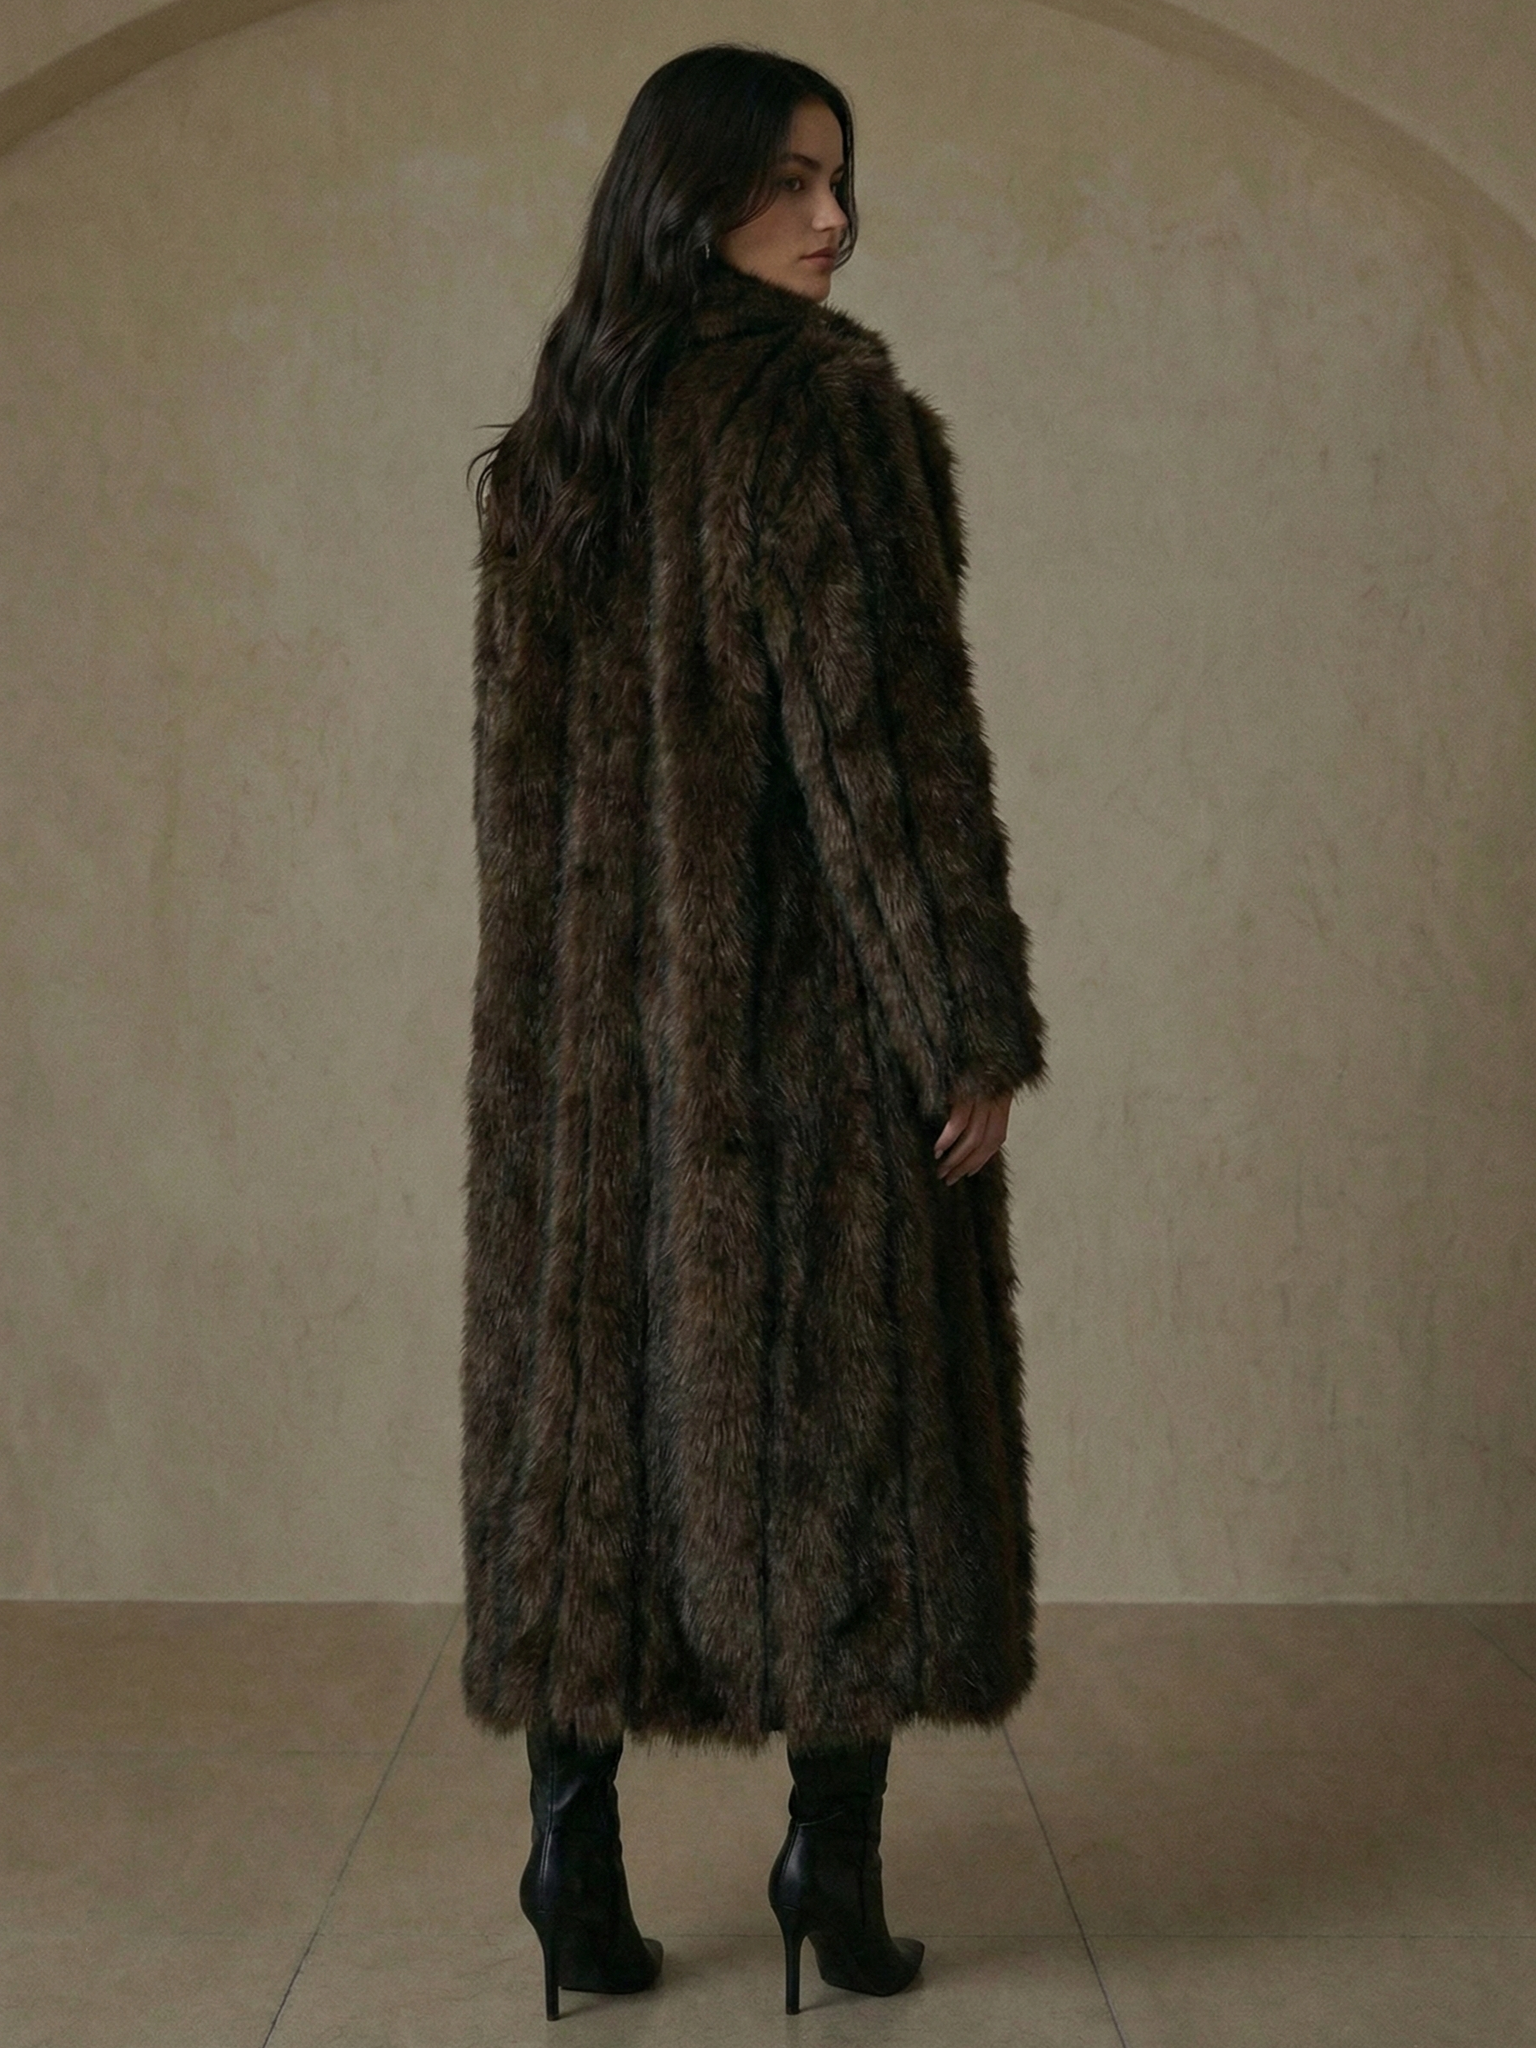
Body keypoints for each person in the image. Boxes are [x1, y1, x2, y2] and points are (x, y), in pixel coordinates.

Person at [461, 42, 1048, 2021]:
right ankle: (830, 1872)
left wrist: (567, 1042)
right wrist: (960, 1023)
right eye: (792, 179)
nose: (835, 219)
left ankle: (572, 1861)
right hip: (797, 1046)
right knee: (845, 1449)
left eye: (841, 180)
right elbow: (882, 751)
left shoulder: (564, 435)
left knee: (592, 1455)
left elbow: (521, 808)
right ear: (689, 187)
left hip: (587, 1073)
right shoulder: (821, 407)